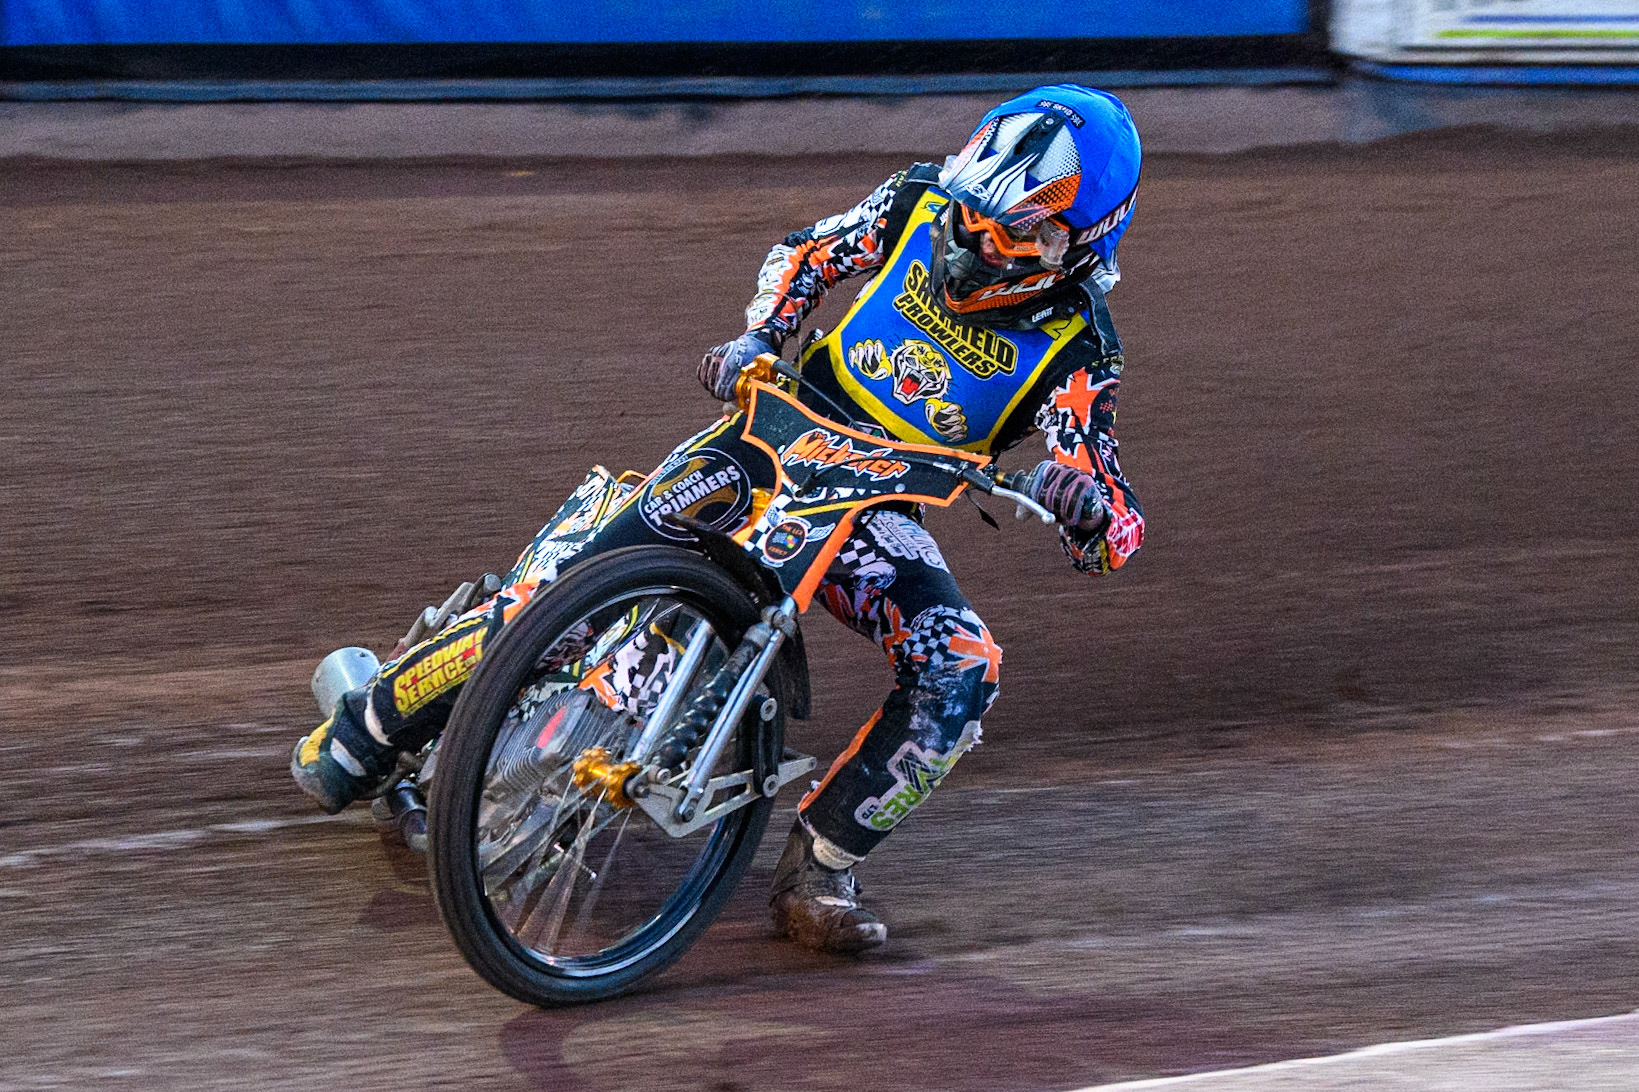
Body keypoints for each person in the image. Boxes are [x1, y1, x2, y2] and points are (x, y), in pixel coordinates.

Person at [292, 84, 1146, 954]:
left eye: (1013, 233)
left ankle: (822, 867)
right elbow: (805, 254)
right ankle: (365, 727)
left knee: (960, 664)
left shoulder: (1080, 341)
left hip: (871, 513)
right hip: (763, 441)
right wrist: (760, 339)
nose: (977, 239)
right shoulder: (915, 199)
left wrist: (1083, 503)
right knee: (562, 593)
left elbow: (1111, 509)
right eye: (974, 213)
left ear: (1077, 244)